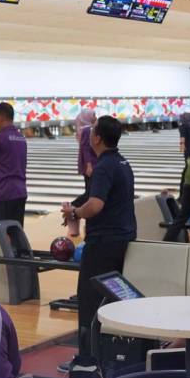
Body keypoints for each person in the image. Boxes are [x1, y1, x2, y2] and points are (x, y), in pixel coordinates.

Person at [61, 115, 135, 354]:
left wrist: (75, 212)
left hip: (103, 243)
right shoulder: (123, 162)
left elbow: (94, 206)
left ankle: (88, 357)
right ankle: (110, 352)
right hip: (121, 239)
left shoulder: (104, 166)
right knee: (111, 298)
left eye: (92, 131)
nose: (89, 135)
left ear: (98, 138)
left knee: (89, 299)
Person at [69, 109, 99, 215]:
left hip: (92, 165)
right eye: (93, 115)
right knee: (90, 193)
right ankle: (71, 207)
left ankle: (75, 209)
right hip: (90, 166)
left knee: (90, 191)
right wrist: (89, 166)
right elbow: (85, 149)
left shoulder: (87, 129)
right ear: (87, 117)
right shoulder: (87, 130)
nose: (95, 117)